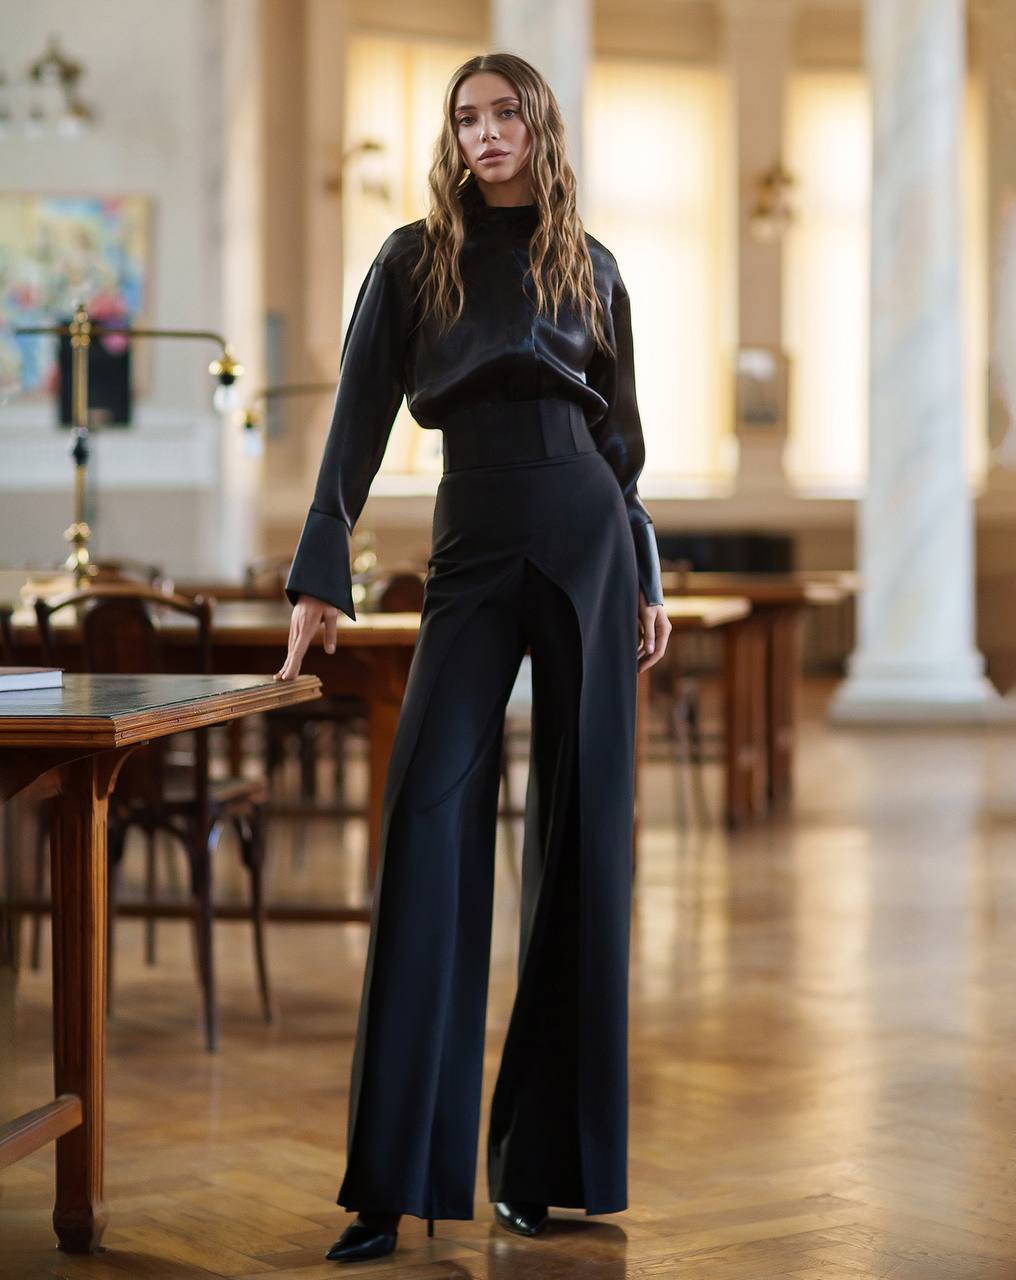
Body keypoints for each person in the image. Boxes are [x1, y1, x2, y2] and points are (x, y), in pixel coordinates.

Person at [274, 50, 671, 1265]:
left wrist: (644, 570)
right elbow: (356, 414)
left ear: (537, 127)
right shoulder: (411, 257)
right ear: (449, 137)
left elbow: (622, 446)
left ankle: (544, 1166)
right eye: (465, 117)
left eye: (505, 114)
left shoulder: (591, 266)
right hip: (472, 538)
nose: (484, 132)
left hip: (589, 537)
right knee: (428, 817)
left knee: (584, 834)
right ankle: (390, 1183)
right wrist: (318, 569)